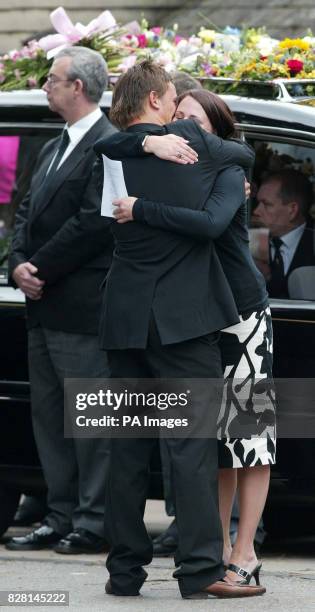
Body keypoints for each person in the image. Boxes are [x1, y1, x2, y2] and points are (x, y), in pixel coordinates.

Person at [94, 59, 264, 599]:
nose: (175, 108)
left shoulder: (115, 153)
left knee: (125, 449)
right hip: (184, 320)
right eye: (170, 98)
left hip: (124, 317)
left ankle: (124, 574)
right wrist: (177, 139)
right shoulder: (194, 145)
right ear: (154, 102)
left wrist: (144, 148)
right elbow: (242, 153)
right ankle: (199, 571)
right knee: (189, 449)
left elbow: (110, 153)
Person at [6, 46, 115, 554]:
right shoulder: (53, 146)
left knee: (89, 423)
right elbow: (24, 210)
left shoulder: (108, 144)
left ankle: (94, 521)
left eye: (53, 79)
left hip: (79, 307)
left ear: (79, 87)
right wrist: (17, 264)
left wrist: (40, 267)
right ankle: (60, 512)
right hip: (41, 305)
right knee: (49, 419)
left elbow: (93, 223)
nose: (46, 86)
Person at [253, 170, 315, 298]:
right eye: (258, 203)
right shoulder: (251, 241)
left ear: (292, 210)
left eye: (266, 204)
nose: (256, 211)